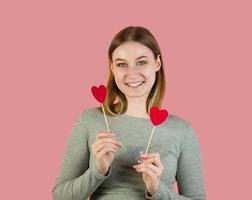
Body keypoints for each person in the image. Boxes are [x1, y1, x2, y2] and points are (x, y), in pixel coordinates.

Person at [52, 26, 206, 200]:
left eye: (141, 62)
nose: (131, 73)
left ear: (157, 63)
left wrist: (157, 190)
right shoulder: (89, 120)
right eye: (121, 64)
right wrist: (98, 171)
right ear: (112, 68)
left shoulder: (182, 131)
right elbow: (60, 196)